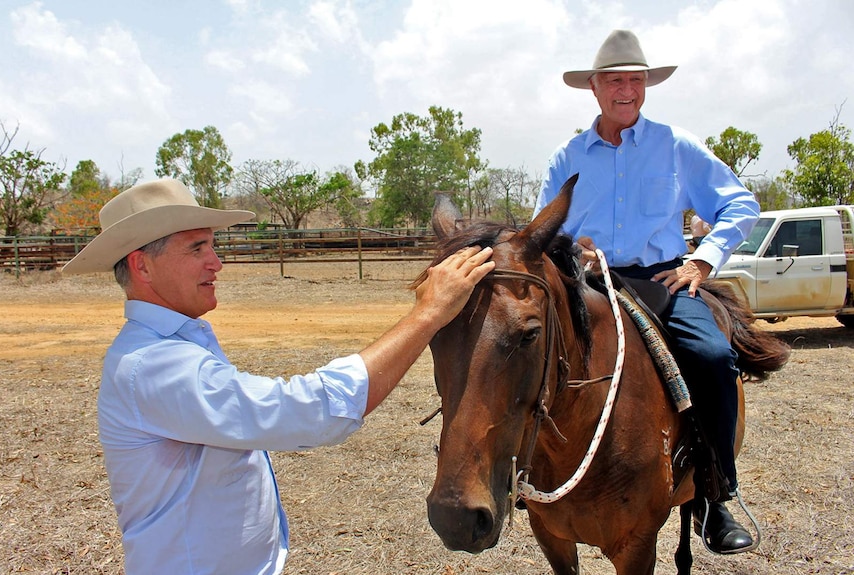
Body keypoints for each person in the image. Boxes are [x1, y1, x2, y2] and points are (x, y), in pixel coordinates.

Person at [62, 179, 495, 574]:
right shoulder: (153, 365)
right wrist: (428, 315)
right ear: (142, 266)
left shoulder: (171, 345)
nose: (216, 264)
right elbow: (300, 411)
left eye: (212, 247)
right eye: (196, 249)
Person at [533, 30, 761, 554]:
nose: (627, 90)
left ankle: (714, 494)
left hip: (661, 280)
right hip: (587, 284)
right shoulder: (567, 156)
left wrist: (704, 260)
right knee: (525, 353)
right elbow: (540, 232)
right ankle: (521, 476)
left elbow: (739, 205)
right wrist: (571, 249)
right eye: (615, 80)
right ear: (593, 88)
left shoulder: (675, 145)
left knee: (712, 354)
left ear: (646, 86)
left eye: (636, 80)